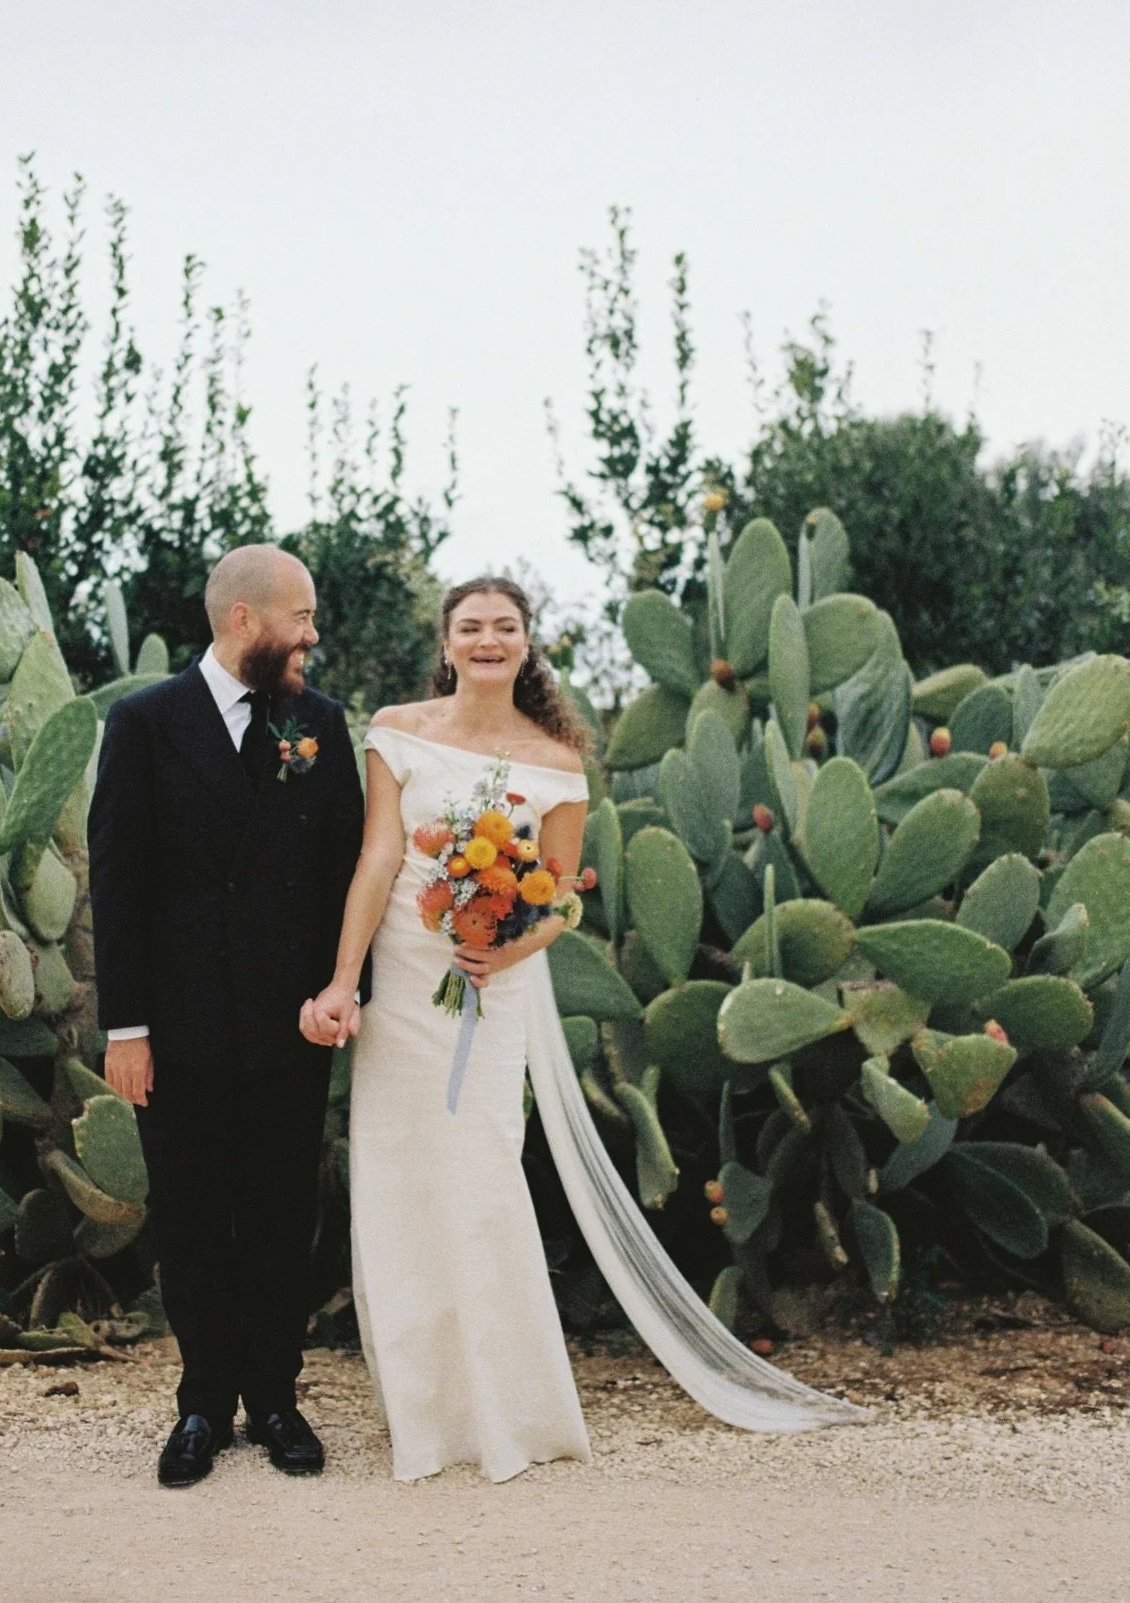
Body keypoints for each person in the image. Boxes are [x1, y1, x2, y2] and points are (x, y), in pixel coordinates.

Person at [304, 576, 866, 1483]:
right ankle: (428, 1417)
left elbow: (562, 896)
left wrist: (511, 947)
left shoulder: (557, 760)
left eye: (506, 628)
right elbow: (376, 857)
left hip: (489, 990)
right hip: (406, 987)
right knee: (399, 1182)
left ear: (528, 645)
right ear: (445, 645)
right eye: (471, 628)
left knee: (481, 1177)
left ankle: (511, 1414)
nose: (488, 641)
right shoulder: (397, 730)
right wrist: (343, 980)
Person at [89, 544, 365, 1487]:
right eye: (301, 616)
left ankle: (277, 1399)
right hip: (180, 1029)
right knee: (195, 1219)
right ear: (244, 621)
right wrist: (125, 1029)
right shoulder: (143, 724)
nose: (313, 635)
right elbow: (118, 887)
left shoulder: (319, 726)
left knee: (285, 1216)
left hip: (292, 1029)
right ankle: (203, 1404)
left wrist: (342, 987)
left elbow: (341, 875)